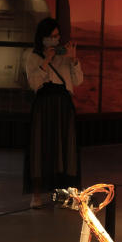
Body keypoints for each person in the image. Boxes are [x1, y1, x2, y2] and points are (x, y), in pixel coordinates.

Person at [23, 18, 83, 208]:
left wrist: (73, 59)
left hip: (63, 104)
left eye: (57, 36)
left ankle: (66, 194)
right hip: (44, 104)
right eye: (51, 37)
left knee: (65, 147)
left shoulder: (65, 56)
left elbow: (78, 81)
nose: (55, 40)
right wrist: (46, 61)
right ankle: (37, 194)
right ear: (42, 38)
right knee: (40, 147)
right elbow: (33, 83)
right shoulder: (33, 56)